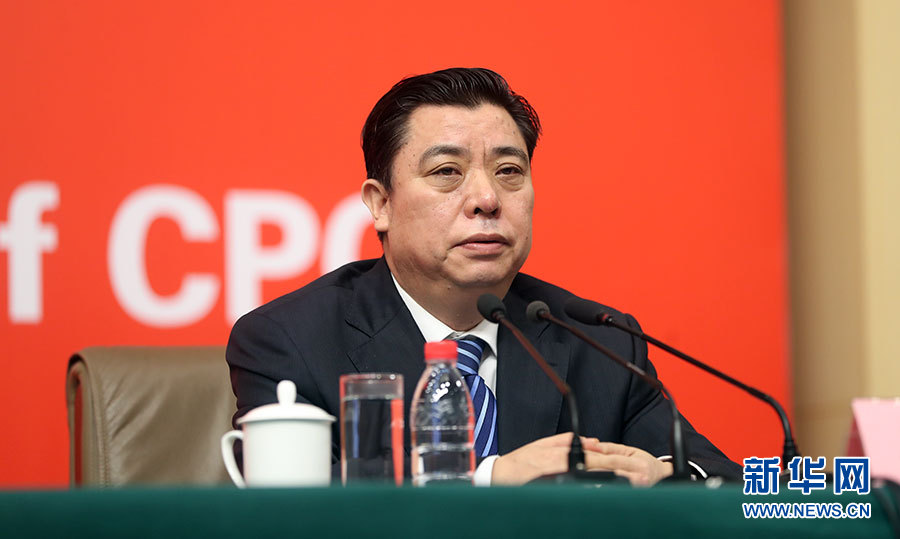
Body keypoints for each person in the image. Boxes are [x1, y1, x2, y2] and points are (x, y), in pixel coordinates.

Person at [226, 67, 743, 485]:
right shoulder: (291, 340)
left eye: (509, 171)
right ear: (380, 204)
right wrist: (488, 481)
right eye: (446, 172)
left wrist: (666, 479)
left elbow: (727, 485)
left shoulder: (600, 343)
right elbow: (292, 510)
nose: (487, 198)